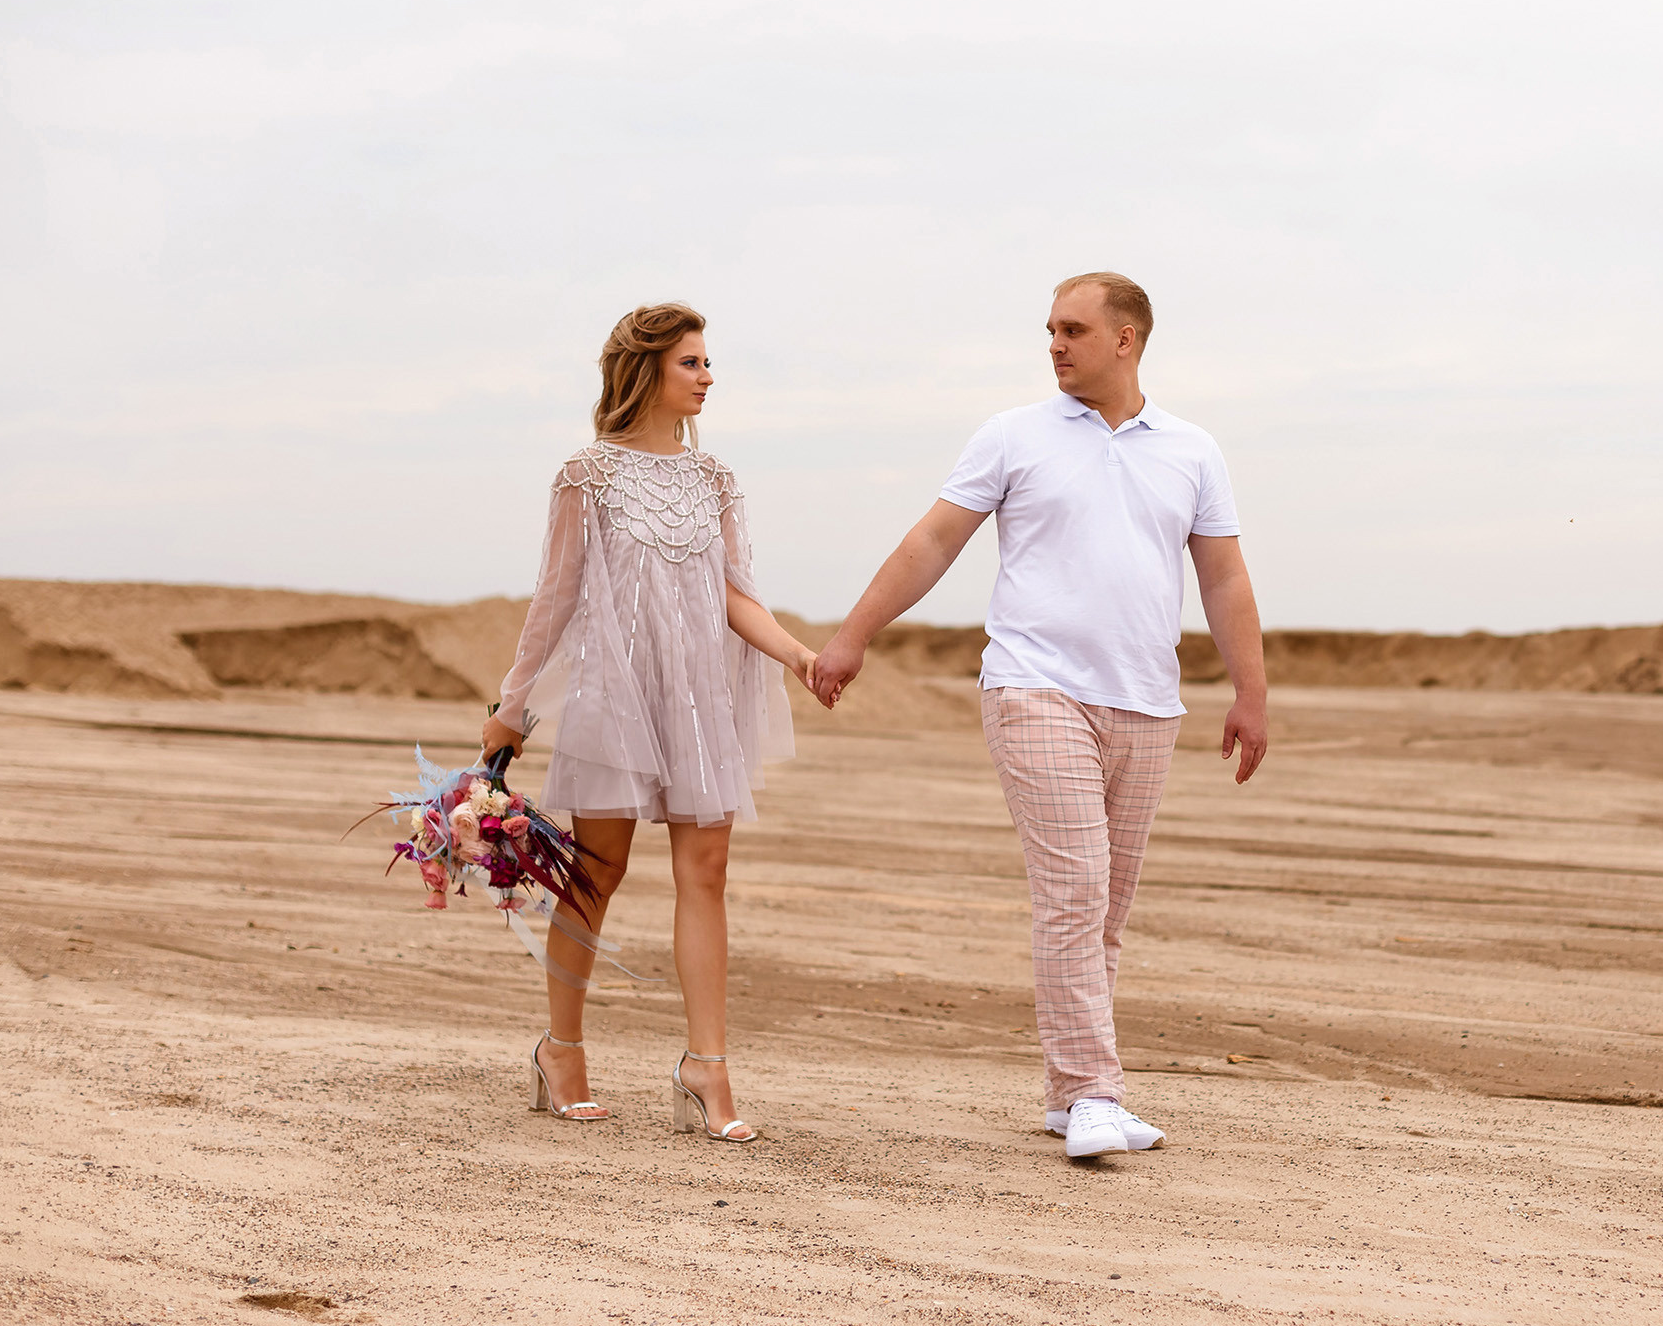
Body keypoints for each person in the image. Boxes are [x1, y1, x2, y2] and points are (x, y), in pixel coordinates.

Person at [810, 271, 1268, 1159]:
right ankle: (1098, 1093)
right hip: (1033, 690)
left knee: (1107, 908)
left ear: (1126, 338)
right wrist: (853, 636)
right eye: (1049, 330)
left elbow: (1223, 576)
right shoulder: (1013, 435)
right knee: (1073, 891)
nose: (1054, 345)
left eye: (1072, 330)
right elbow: (933, 539)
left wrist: (1250, 692)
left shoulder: (1190, 450)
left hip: (1146, 702)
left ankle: (1067, 1092)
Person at [481, 301, 817, 1142]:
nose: (708, 377)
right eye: (693, 363)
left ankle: (706, 1069)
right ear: (648, 371)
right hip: (614, 696)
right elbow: (555, 598)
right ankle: (562, 1051)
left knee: (706, 872)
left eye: (707, 363)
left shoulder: (716, 481)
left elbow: (737, 595)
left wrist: (800, 657)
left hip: (700, 698)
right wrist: (513, 706)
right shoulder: (584, 476)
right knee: (596, 874)